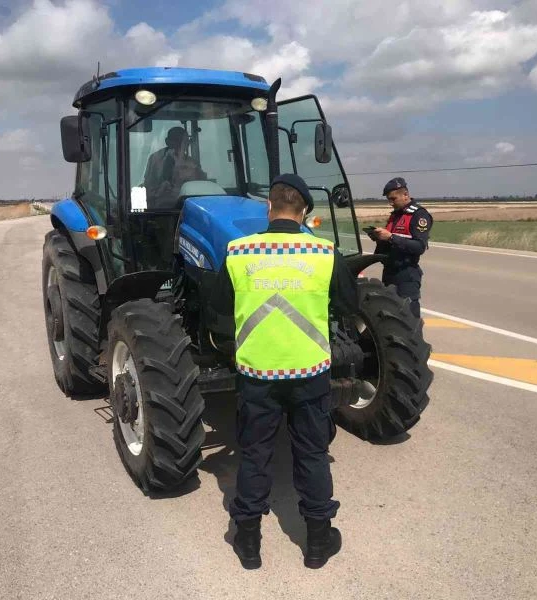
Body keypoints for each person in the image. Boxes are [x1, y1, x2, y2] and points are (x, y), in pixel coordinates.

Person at [210, 173, 359, 570]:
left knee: (255, 455)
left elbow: (221, 306)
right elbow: (347, 305)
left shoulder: (238, 252)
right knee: (311, 453)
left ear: (269, 208)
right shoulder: (325, 254)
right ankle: (317, 543)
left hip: (257, 374)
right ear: (305, 210)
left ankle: (249, 543)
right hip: (309, 374)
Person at [367, 176, 433, 318]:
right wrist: (379, 237)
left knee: (409, 320)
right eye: (388, 200)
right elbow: (393, 241)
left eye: (393, 199)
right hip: (390, 273)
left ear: (405, 195)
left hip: (406, 275)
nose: (391, 203)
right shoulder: (395, 215)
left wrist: (391, 237)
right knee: (390, 316)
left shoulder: (419, 215)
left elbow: (419, 246)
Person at [143, 126, 206, 209]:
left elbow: (201, 188)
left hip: (187, 207)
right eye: (176, 140)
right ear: (167, 141)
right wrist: (160, 189)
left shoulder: (193, 164)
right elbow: (148, 185)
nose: (180, 145)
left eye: (184, 141)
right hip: (158, 210)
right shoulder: (155, 160)